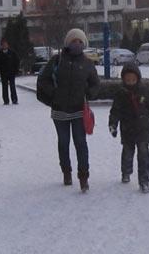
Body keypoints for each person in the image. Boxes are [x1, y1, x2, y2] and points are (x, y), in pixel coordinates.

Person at [37, 29, 100, 193]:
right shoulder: (57, 60)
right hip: (59, 111)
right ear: (68, 43)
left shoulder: (87, 64)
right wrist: (54, 94)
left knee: (81, 143)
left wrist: (89, 93)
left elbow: (95, 83)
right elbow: (43, 80)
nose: (77, 44)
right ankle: (66, 171)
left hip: (79, 110)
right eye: (74, 41)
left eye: (80, 41)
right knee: (63, 143)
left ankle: (84, 177)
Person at [109, 63, 149, 194]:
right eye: (127, 80)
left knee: (143, 153)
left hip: (143, 129)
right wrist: (113, 124)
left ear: (137, 78)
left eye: (133, 80)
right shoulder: (121, 93)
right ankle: (126, 171)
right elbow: (115, 111)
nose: (130, 83)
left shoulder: (145, 91)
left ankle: (144, 181)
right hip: (127, 129)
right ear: (123, 80)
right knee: (128, 152)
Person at [0, 39, 20, 105]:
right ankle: (6, 100)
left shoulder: (12, 53)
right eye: (3, 45)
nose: (4, 46)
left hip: (11, 72)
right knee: (4, 87)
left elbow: (17, 61)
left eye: (5, 44)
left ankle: (14, 100)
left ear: (8, 45)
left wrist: (16, 69)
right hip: (3, 73)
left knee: (12, 86)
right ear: (1, 46)